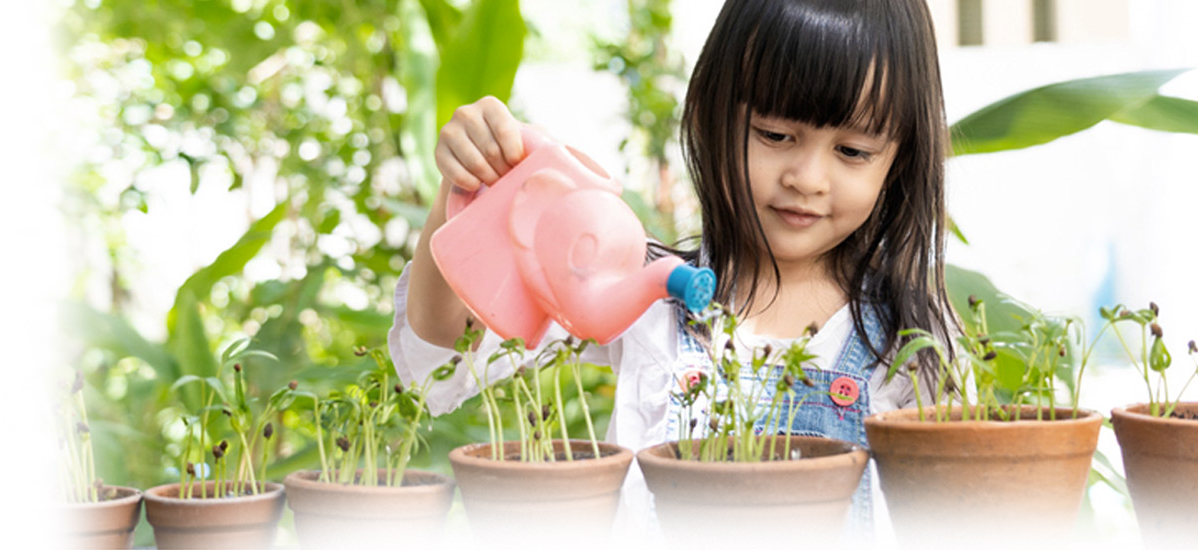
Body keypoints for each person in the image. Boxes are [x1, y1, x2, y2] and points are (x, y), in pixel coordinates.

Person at [391, 0, 957, 539]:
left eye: (853, 151)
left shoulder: (912, 343)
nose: (807, 178)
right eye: (775, 135)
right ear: (714, 117)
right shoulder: (642, 292)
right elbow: (444, 346)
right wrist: (461, 192)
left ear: (900, 158)